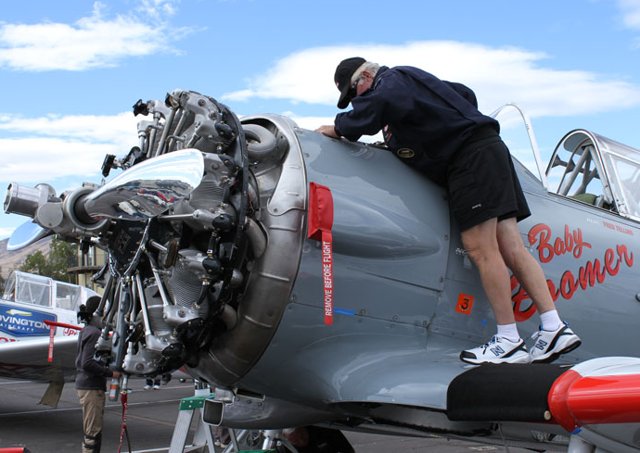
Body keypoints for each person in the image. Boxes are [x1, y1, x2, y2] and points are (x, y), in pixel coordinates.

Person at [316, 57, 581, 365]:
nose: (358, 102)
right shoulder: (415, 86)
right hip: (490, 150)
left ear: (364, 79)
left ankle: (508, 339)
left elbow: (385, 100)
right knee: (511, 247)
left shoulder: (391, 81)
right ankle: (554, 327)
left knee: (480, 249)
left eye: (355, 95)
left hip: (469, 160)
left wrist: (339, 127)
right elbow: (464, 94)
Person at [75, 296, 121, 452]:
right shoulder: (94, 333)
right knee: (92, 432)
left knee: (92, 429)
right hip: (91, 386)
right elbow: (86, 362)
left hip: (86, 384)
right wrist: (110, 373)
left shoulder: (86, 330)